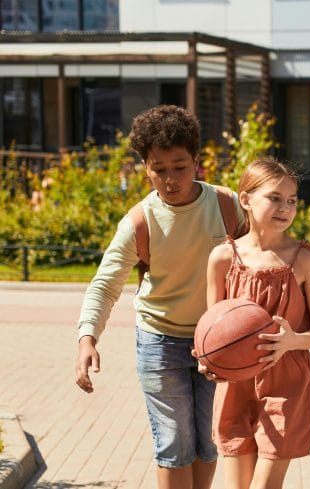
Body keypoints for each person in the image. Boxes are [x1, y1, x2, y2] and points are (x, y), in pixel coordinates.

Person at [74, 104, 241, 489]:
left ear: (197, 161)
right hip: (159, 341)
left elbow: (262, 255)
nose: (169, 179)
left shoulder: (227, 206)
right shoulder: (139, 221)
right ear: (144, 167)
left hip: (217, 341)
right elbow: (105, 283)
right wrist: (87, 337)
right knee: (173, 444)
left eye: (179, 167)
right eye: (158, 169)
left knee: (208, 443)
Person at [203, 157, 310, 489]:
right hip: (235, 382)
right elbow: (211, 329)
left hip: (286, 382)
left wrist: (292, 341)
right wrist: (208, 360)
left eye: (291, 200)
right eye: (274, 198)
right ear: (245, 199)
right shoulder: (222, 258)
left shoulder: (307, 260)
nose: (285, 208)